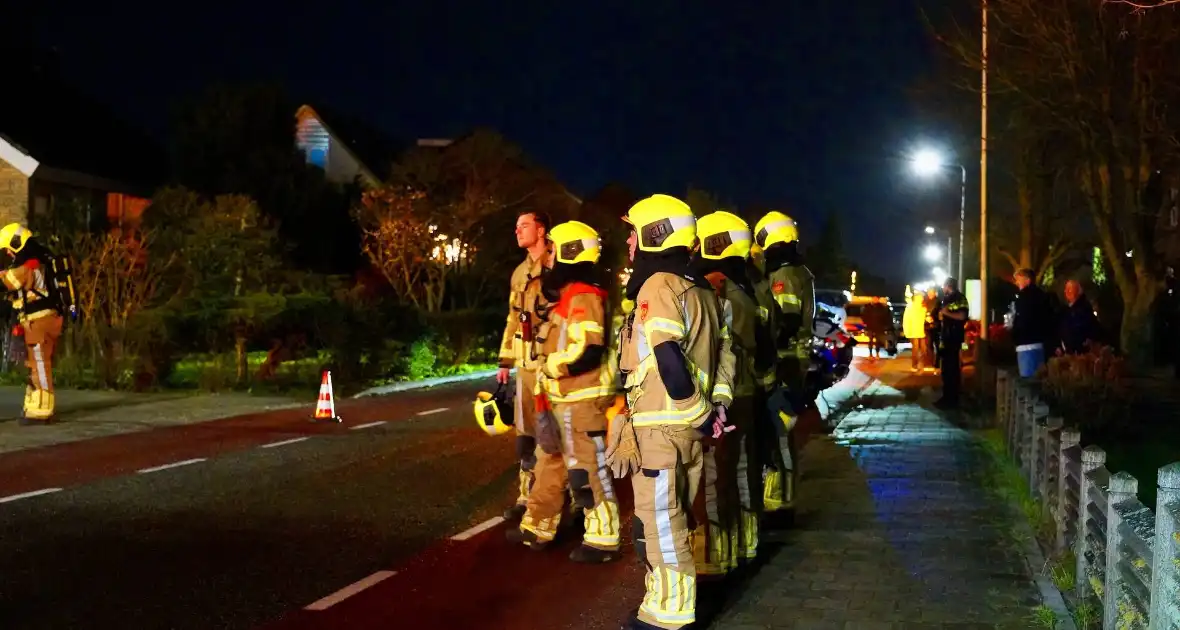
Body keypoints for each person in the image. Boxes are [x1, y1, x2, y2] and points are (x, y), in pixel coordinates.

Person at [605, 193, 731, 630]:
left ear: (655, 233)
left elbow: (668, 356)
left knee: (661, 523)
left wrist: (696, 409)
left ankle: (671, 615)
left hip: (663, 427)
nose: (629, 241)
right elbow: (726, 355)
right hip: (685, 427)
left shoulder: (658, 284)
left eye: (635, 231)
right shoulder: (701, 288)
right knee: (678, 515)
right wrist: (715, 409)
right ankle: (666, 601)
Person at [508, 220, 623, 562]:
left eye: (555, 250)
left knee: (587, 469)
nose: (549, 258)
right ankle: (538, 525)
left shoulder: (584, 296)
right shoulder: (571, 295)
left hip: (581, 398)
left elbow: (588, 349)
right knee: (549, 463)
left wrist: (551, 366)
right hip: (561, 398)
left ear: (570, 251)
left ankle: (604, 538)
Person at [694, 210, 770, 569]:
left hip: (723, 395)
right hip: (747, 391)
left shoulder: (716, 287)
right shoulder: (754, 286)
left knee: (715, 475)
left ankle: (717, 554)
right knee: (743, 470)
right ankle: (746, 543)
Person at [753, 210, 814, 523]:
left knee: (780, 433)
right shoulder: (791, 270)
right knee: (779, 433)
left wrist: (762, 342)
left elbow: (786, 319)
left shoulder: (785, 274)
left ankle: (781, 502)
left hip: (786, 362)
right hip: (788, 362)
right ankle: (779, 498)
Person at [496, 211, 555, 522]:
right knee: (526, 434)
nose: (517, 231)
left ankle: (561, 497)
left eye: (524, 225)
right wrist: (505, 360)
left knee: (553, 431)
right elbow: (512, 317)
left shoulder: (557, 262)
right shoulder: (520, 272)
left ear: (541, 229)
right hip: (526, 363)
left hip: (553, 361)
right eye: (516, 226)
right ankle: (525, 495)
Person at [0, 223, 66, 425]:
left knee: (39, 363)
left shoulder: (28, 266)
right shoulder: (40, 263)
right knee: (34, 364)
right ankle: (34, 404)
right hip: (41, 320)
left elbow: (7, 282)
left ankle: (44, 408)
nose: (8, 254)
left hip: (38, 322)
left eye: (8, 250)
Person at [1010, 268, 1054, 377]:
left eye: (1019, 279)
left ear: (1028, 280)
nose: (1017, 283)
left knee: (1028, 380)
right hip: (1037, 344)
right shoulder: (1041, 296)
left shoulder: (1025, 298)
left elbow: (1023, 320)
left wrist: (1015, 335)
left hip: (1027, 344)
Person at [936, 278, 969, 409]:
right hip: (946, 337)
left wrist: (946, 313)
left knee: (952, 368)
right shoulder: (947, 298)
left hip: (953, 338)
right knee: (946, 369)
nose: (943, 289)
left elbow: (962, 316)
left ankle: (952, 399)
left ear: (948, 286)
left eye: (943, 286)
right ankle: (946, 397)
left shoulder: (960, 298)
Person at [1059, 279, 1099, 355]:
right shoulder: (1067, 310)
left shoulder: (1083, 308)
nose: (1066, 292)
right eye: (1066, 289)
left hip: (1081, 352)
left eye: (1069, 289)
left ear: (1077, 291)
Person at [902, 292, 929, 372]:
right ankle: (914, 366)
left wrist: (927, 319)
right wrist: (906, 331)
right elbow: (906, 320)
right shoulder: (910, 308)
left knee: (924, 349)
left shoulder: (923, 309)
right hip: (913, 332)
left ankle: (923, 364)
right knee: (915, 349)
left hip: (921, 332)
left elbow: (925, 318)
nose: (921, 299)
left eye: (921, 298)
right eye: (919, 298)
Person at [924, 287, 941, 372]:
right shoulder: (925, 302)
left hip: (936, 327)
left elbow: (939, 313)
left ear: (935, 293)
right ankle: (930, 363)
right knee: (929, 345)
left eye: (931, 292)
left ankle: (937, 364)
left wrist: (933, 318)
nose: (930, 294)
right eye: (929, 292)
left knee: (937, 346)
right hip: (927, 327)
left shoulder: (938, 302)